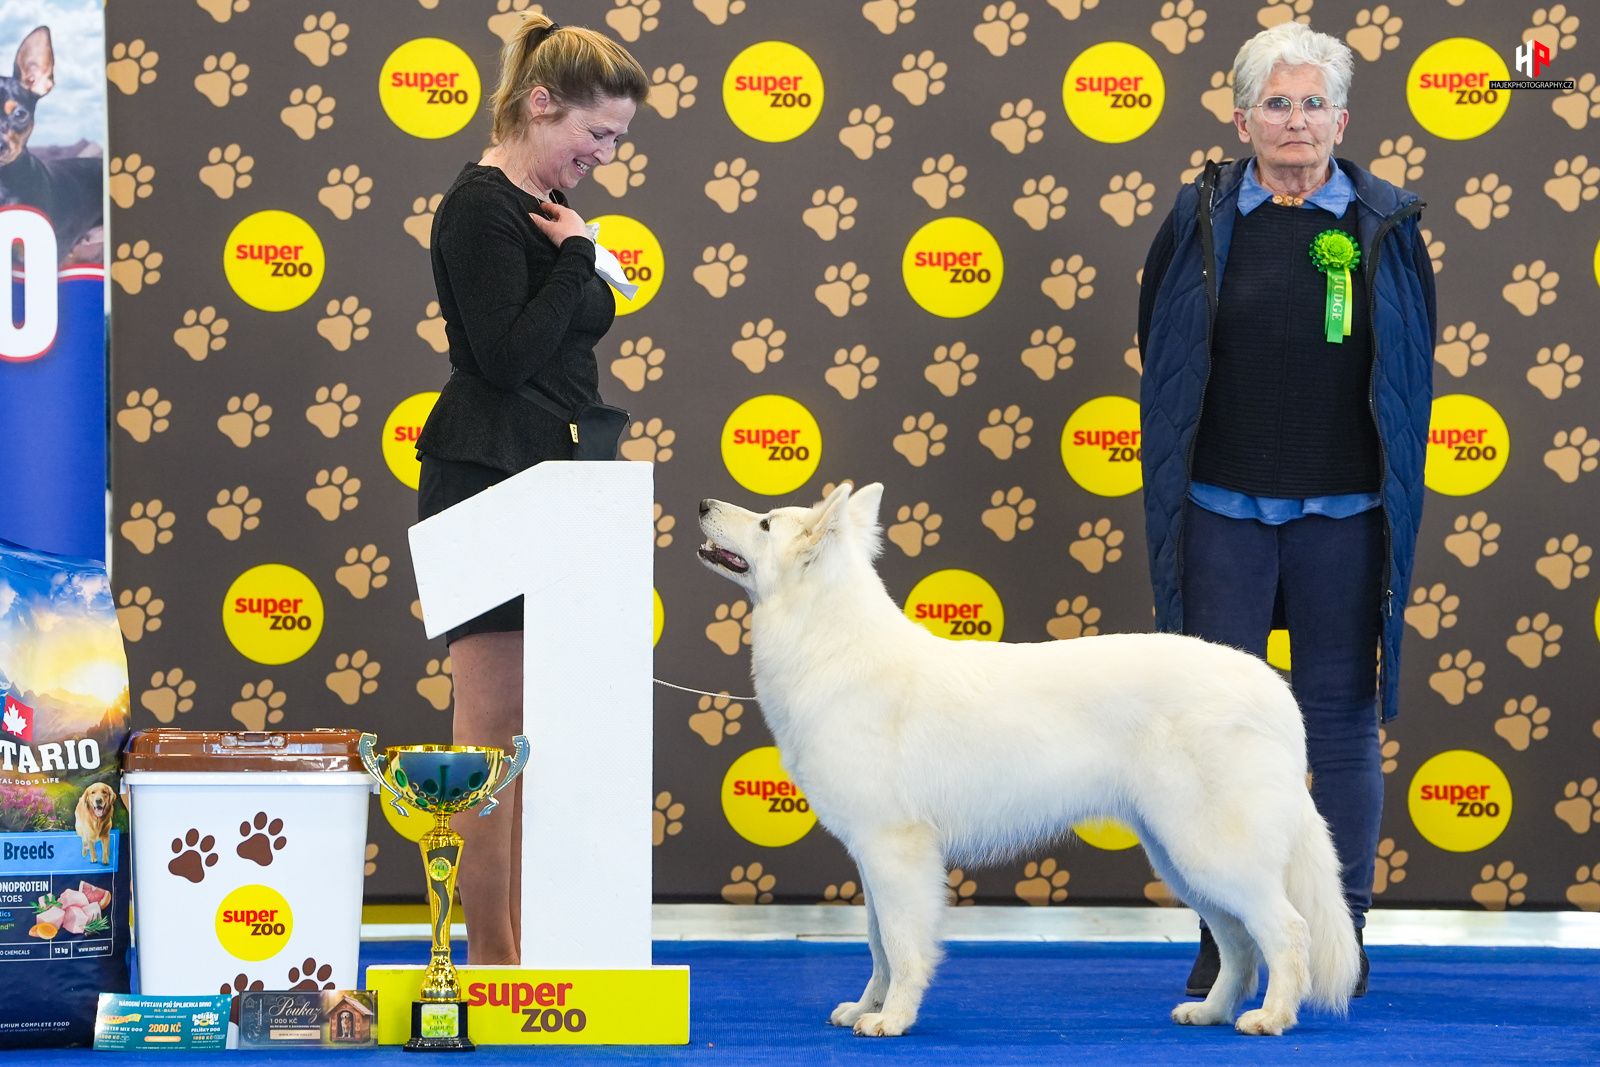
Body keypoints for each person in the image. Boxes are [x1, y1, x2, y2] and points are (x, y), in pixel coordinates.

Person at [1136, 21, 1436, 999]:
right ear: (1242, 120)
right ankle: (1226, 937)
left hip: (1345, 514)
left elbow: (1409, 367)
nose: (1296, 120)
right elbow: (1162, 342)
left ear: (1341, 121)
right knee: (1213, 730)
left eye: (1314, 103)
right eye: (1277, 103)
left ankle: (1339, 936)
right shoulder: (1198, 217)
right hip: (1219, 509)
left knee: (1339, 724)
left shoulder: (1385, 224)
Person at [413, 13, 648, 965]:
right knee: (492, 734)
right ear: (540, 103)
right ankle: (492, 962)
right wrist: (582, 256)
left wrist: (577, 250)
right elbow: (506, 357)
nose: (605, 154)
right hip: (488, 481)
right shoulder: (480, 208)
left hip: (560, 484)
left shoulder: (547, 208)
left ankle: (530, 950)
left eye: (617, 140)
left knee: (539, 735)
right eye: (596, 133)